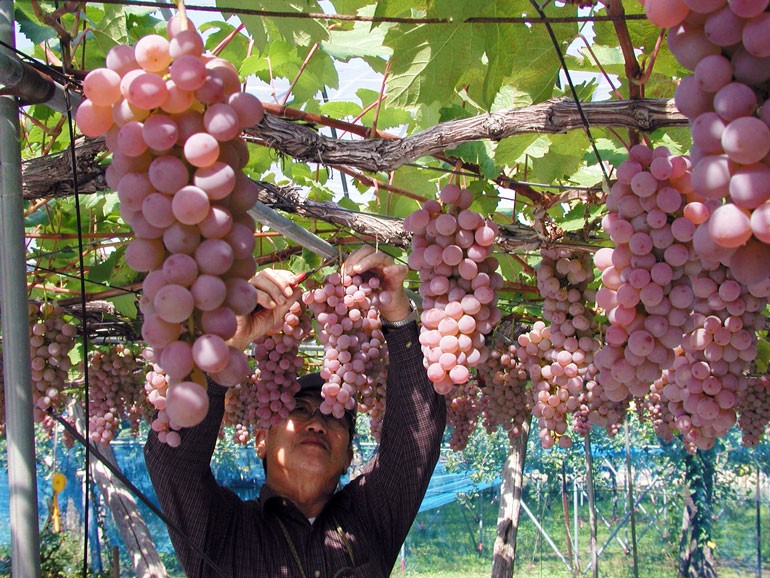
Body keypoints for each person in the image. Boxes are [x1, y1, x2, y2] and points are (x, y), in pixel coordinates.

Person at [145, 246, 447, 578]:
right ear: (261, 440)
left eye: (335, 417)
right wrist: (226, 349)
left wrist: (398, 314)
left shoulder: (369, 518)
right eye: (299, 410)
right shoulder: (222, 529)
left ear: (348, 456)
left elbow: (416, 439)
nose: (318, 422)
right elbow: (172, 461)